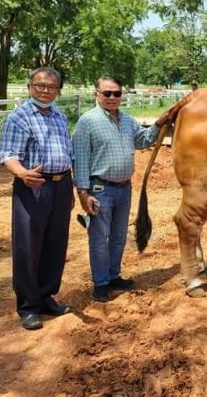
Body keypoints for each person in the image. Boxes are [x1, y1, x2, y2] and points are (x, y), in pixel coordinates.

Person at [72, 76, 169, 302]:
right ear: (96, 94)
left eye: (117, 93)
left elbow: (143, 141)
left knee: (118, 236)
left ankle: (113, 275)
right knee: (99, 237)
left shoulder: (126, 120)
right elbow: (81, 161)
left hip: (124, 188)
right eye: (107, 93)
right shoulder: (87, 122)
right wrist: (83, 193)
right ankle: (101, 283)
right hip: (100, 188)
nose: (113, 98)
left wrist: (158, 123)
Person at [0, 67, 74, 330]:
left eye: (51, 87)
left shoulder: (60, 117)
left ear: (58, 90)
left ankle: (46, 296)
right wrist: (21, 173)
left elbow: (68, 152)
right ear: (30, 87)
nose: (45, 90)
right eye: (40, 86)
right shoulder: (19, 117)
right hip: (33, 186)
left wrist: (72, 186)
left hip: (61, 185)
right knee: (28, 247)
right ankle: (28, 306)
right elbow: (8, 154)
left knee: (56, 244)